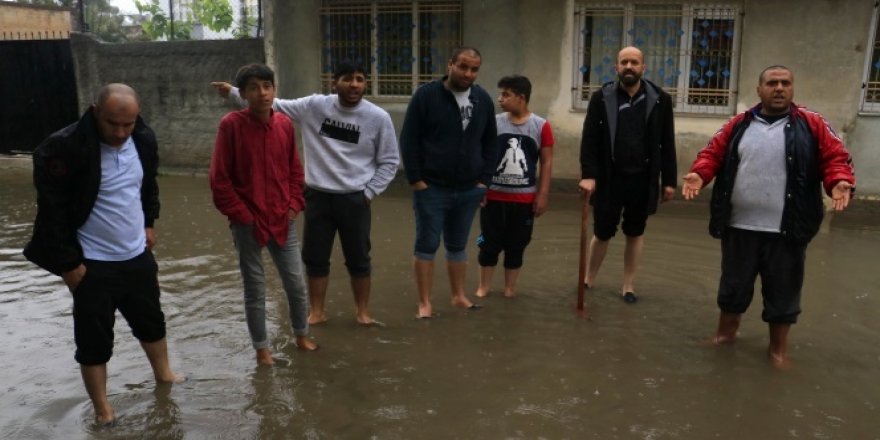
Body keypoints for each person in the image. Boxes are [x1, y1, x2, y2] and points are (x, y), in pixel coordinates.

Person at [23, 83, 183, 426]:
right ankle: (102, 409)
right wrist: (69, 266)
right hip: (91, 264)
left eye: (129, 124)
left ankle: (165, 377)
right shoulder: (63, 149)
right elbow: (52, 212)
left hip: (136, 256)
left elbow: (147, 185)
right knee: (93, 341)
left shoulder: (143, 138)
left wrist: (149, 223)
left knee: (152, 322)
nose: (122, 132)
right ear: (96, 112)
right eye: (114, 124)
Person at [682, 65, 856, 368]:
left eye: (785, 83)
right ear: (759, 89)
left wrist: (839, 181)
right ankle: (724, 337)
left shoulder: (812, 124)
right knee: (733, 287)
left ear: (792, 88)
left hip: (788, 228)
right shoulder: (738, 124)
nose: (779, 88)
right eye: (772, 83)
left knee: (783, 292)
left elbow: (835, 157)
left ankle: (778, 352)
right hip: (739, 225)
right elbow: (712, 153)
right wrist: (699, 173)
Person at [211, 62, 400, 326]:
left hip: (355, 198)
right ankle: (317, 313)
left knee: (359, 258)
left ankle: (363, 313)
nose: (354, 84)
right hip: (318, 196)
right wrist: (233, 91)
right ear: (334, 83)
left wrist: (369, 193)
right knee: (315, 258)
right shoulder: (315, 106)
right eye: (347, 79)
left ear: (365, 83)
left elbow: (390, 161)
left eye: (360, 79)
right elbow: (274, 104)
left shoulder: (378, 118)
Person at [209, 63, 317, 367]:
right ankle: (262, 350)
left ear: (275, 90)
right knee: (254, 288)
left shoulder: (284, 125)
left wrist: (294, 205)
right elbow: (220, 180)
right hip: (247, 223)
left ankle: (301, 335)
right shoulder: (231, 126)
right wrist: (243, 215)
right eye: (254, 88)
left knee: (296, 283)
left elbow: (295, 171)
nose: (262, 93)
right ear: (242, 94)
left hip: (283, 218)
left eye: (267, 86)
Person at [400, 46, 497, 319]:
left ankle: (458, 296)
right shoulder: (427, 96)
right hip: (432, 187)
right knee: (426, 244)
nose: (468, 73)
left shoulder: (482, 100)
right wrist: (416, 180)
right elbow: (409, 140)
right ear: (450, 64)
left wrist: (484, 181)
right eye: (463, 66)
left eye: (474, 69)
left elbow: (490, 142)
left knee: (457, 245)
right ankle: (425, 303)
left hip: (469, 188)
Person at [578, 46, 677, 304]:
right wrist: (589, 175)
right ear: (617, 68)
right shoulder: (602, 98)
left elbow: (667, 143)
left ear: (643, 67)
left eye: (634, 62)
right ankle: (588, 279)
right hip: (609, 179)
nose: (629, 66)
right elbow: (589, 140)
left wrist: (669, 181)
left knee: (635, 232)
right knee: (602, 231)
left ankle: (628, 286)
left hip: (642, 179)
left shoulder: (660, 100)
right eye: (624, 62)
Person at [474, 75, 554, 298]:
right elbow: (483, 154)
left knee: (517, 246)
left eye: (505, 95)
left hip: (524, 201)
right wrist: (480, 186)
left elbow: (547, 161)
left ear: (521, 97)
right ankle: (484, 287)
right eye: (500, 94)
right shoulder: (495, 122)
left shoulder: (540, 126)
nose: (500, 99)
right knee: (488, 244)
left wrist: (543, 195)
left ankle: (509, 289)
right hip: (493, 198)